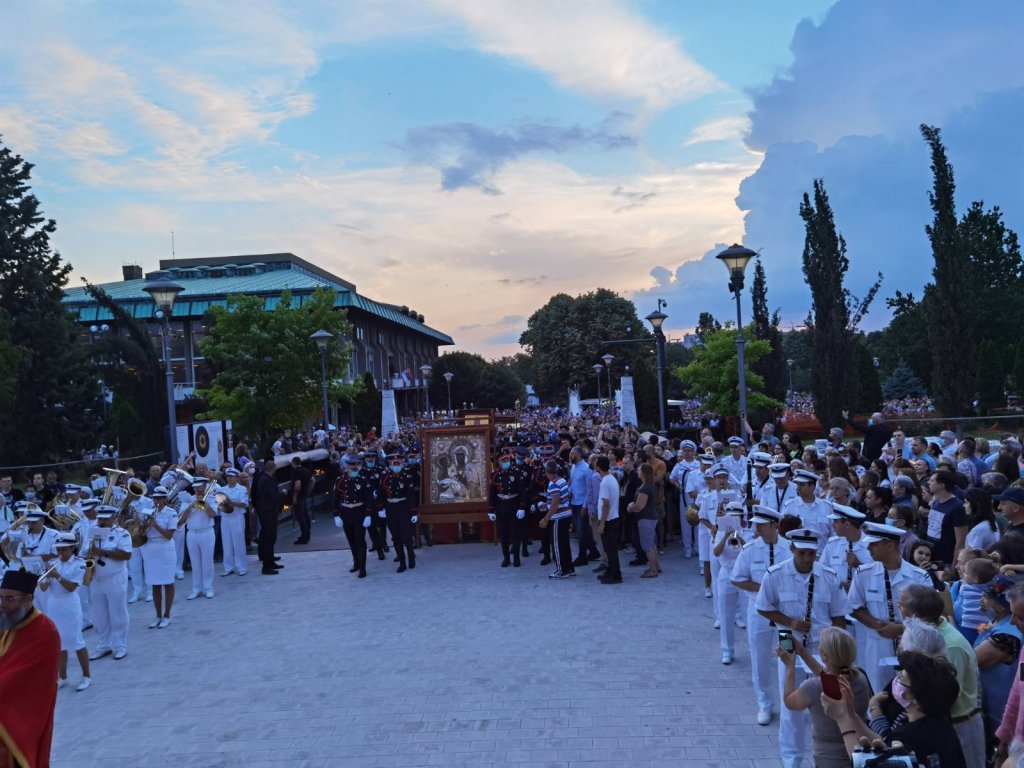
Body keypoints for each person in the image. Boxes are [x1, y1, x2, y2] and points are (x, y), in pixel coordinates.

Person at [756, 528, 849, 768]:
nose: (807, 559)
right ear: (792, 549)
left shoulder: (829, 576)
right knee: (791, 705)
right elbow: (763, 607)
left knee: (830, 700)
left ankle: (834, 753)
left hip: (822, 645)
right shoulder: (775, 574)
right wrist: (790, 622)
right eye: (802, 553)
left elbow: (838, 615)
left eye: (811, 554)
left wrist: (836, 648)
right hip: (789, 639)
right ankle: (791, 759)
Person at [821, 650, 966, 768]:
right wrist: (851, 714)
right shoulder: (939, 723)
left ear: (916, 698)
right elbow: (884, 744)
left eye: (901, 678)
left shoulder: (909, 737)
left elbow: (862, 762)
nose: (895, 681)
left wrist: (842, 719)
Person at [898, 584, 984, 767]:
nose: (899, 609)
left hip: (958, 724)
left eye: (902, 605)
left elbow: (944, 694)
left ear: (914, 615)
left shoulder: (949, 645)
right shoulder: (928, 634)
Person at [847, 521, 932, 694]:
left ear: (889, 545)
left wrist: (901, 629)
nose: (868, 548)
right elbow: (854, 607)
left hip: (911, 643)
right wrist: (878, 625)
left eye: (874, 544)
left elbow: (931, 616)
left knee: (911, 694)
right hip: (878, 644)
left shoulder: (919, 577)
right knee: (880, 694)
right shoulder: (864, 573)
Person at [777, 627, 872, 768]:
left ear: (824, 655)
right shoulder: (860, 678)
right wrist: (802, 652)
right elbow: (827, 678)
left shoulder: (813, 687)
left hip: (827, 760)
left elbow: (790, 702)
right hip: (858, 755)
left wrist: (789, 666)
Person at [732, 504, 790, 726]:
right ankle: (765, 703)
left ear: (774, 525)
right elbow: (737, 579)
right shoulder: (749, 550)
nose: (756, 529)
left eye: (761, 525)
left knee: (788, 654)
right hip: (759, 613)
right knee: (760, 657)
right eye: (756, 524)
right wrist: (765, 589)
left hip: (785, 616)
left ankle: (789, 701)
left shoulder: (790, 548)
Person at [0, 570, 60, 768]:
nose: (3, 604)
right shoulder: (7, 620)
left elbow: (18, 679)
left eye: (9, 598)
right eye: (0, 598)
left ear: (27, 599)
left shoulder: (45, 632)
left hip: (19, 716)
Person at [38, 532, 91, 691]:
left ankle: (86, 676)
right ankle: (63, 677)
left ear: (73, 548)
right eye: (59, 549)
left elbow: (72, 588)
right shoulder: (54, 563)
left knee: (76, 641)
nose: (61, 552)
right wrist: (44, 577)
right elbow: (43, 588)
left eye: (64, 549)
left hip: (69, 605)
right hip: (53, 604)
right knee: (59, 642)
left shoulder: (79, 563)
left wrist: (57, 576)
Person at [973, 575, 1023, 735]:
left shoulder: (1008, 634)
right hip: (995, 705)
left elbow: (972, 661)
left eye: (986, 597)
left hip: (1002, 709)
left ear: (1001, 606)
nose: (981, 601)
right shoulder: (999, 621)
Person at [87, 505, 132, 661]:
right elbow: (83, 553)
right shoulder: (92, 533)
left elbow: (126, 555)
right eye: (100, 518)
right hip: (96, 578)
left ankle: (120, 645)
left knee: (117, 612)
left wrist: (104, 552)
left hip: (115, 578)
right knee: (99, 614)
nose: (102, 522)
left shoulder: (122, 533)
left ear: (113, 518)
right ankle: (103, 645)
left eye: (105, 519)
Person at [712, 501, 749, 664]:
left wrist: (739, 536)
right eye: (731, 516)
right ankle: (727, 650)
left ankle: (752, 647)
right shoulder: (721, 532)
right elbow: (716, 552)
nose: (734, 519)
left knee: (748, 614)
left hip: (744, 575)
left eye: (737, 516)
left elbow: (750, 551)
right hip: (726, 573)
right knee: (726, 614)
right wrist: (726, 536)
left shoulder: (748, 531)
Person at [142, 486, 178, 629]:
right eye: (154, 498)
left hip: (165, 549)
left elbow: (169, 535)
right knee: (154, 583)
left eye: (158, 498)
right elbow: (142, 532)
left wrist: (155, 525)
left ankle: (167, 615)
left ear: (165, 499)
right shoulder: (148, 512)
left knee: (168, 582)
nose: (156, 501)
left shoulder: (171, 513)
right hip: (150, 549)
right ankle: (158, 615)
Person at [181, 476, 217, 599]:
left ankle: (208, 587)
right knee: (195, 563)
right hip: (191, 533)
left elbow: (213, 515)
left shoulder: (211, 498)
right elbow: (182, 519)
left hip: (206, 532)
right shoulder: (188, 499)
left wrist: (204, 503)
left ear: (205, 487)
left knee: (207, 561)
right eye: (195, 488)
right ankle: (196, 588)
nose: (197, 490)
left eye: (200, 487)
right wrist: (191, 506)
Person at [381, 452, 417, 573]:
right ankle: (402, 562)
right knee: (396, 537)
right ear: (390, 465)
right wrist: (381, 508)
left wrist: (414, 512)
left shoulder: (406, 476)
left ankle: (411, 557)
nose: (396, 466)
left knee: (406, 535)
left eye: (398, 464)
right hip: (391, 508)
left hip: (403, 507)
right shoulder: (385, 476)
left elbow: (411, 495)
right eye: (394, 464)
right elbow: (381, 493)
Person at [538, 459, 573, 579]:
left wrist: (546, 519)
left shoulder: (553, 484)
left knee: (557, 545)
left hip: (558, 517)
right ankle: (569, 568)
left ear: (547, 472)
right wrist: (547, 503)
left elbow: (555, 503)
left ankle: (561, 571)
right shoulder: (561, 480)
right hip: (566, 515)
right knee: (565, 543)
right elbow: (561, 498)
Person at [488, 449, 524, 568]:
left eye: (507, 459)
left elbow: (522, 491)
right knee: (503, 534)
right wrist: (491, 510)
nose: (506, 462)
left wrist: (522, 507)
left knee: (515, 533)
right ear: (498, 462)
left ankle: (516, 558)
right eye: (503, 460)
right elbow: (492, 493)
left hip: (514, 505)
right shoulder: (495, 475)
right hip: (501, 506)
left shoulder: (517, 473)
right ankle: (506, 558)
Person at [926, 469, 969, 567]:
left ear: (942, 485)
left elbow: (960, 542)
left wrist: (954, 567)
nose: (928, 483)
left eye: (932, 481)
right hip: (931, 557)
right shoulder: (936, 502)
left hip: (946, 561)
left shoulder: (957, 507)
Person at [216, 468, 248, 577]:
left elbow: (244, 504)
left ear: (236, 478)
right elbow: (219, 504)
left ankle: (241, 567)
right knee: (226, 543)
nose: (229, 478)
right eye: (228, 476)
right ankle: (228, 568)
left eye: (232, 477)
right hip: (225, 518)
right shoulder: (222, 489)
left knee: (239, 543)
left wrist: (231, 503)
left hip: (237, 517)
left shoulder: (242, 489)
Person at [594, 455, 622, 584]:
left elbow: (605, 504)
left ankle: (616, 575)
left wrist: (602, 524)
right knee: (609, 549)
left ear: (598, 467)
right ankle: (611, 571)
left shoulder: (605, 482)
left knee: (610, 550)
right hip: (612, 518)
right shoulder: (611, 479)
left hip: (609, 520)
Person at [255, 461, 282, 575]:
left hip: (270, 511)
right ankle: (266, 566)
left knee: (271, 537)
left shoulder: (267, 478)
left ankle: (270, 561)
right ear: (273, 468)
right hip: (267, 512)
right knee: (269, 538)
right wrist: (283, 493)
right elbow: (273, 495)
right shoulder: (265, 480)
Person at [289, 456, 313, 545]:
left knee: (300, 517)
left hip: (299, 497)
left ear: (293, 463)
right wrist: (309, 491)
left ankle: (304, 537)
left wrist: (295, 496)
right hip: (305, 495)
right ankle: (307, 534)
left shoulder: (296, 471)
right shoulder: (306, 470)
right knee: (306, 515)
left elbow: (297, 485)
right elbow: (313, 480)